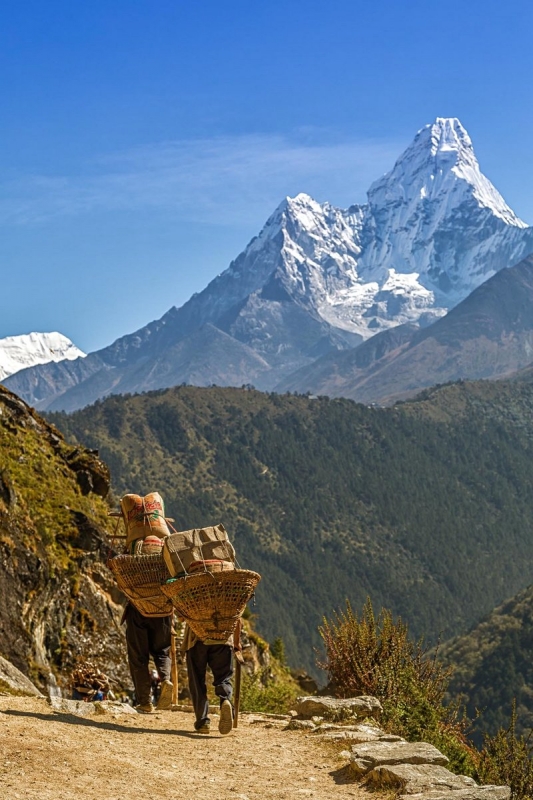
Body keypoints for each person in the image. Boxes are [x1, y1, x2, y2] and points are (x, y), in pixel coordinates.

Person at [183, 622, 238, 735]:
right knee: (223, 678)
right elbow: (238, 616)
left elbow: (181, 614)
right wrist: (237, 642)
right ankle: (225, 699)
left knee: (197, 680)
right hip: (223, 638)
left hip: (196, 640)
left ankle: (203, 722)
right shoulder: (227, 603)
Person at [123, 603, 174, 713]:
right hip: (162, 611)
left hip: (137, 609)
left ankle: (145, 702)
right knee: (162, 652)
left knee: (138, 658)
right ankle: (165, 679)